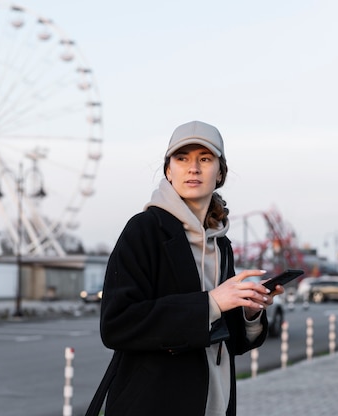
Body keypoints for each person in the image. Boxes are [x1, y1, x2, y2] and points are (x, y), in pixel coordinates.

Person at [86, 120, 285, 416]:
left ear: (220, 172)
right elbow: (117, 324)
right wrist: (212, 303)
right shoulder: (144, 230)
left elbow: (226, 340)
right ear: (169, 171)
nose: (193, 168)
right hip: (153, 404)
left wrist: (250, 312)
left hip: (215, 404)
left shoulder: (222, 245)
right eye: (182, 159)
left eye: (205, 159)